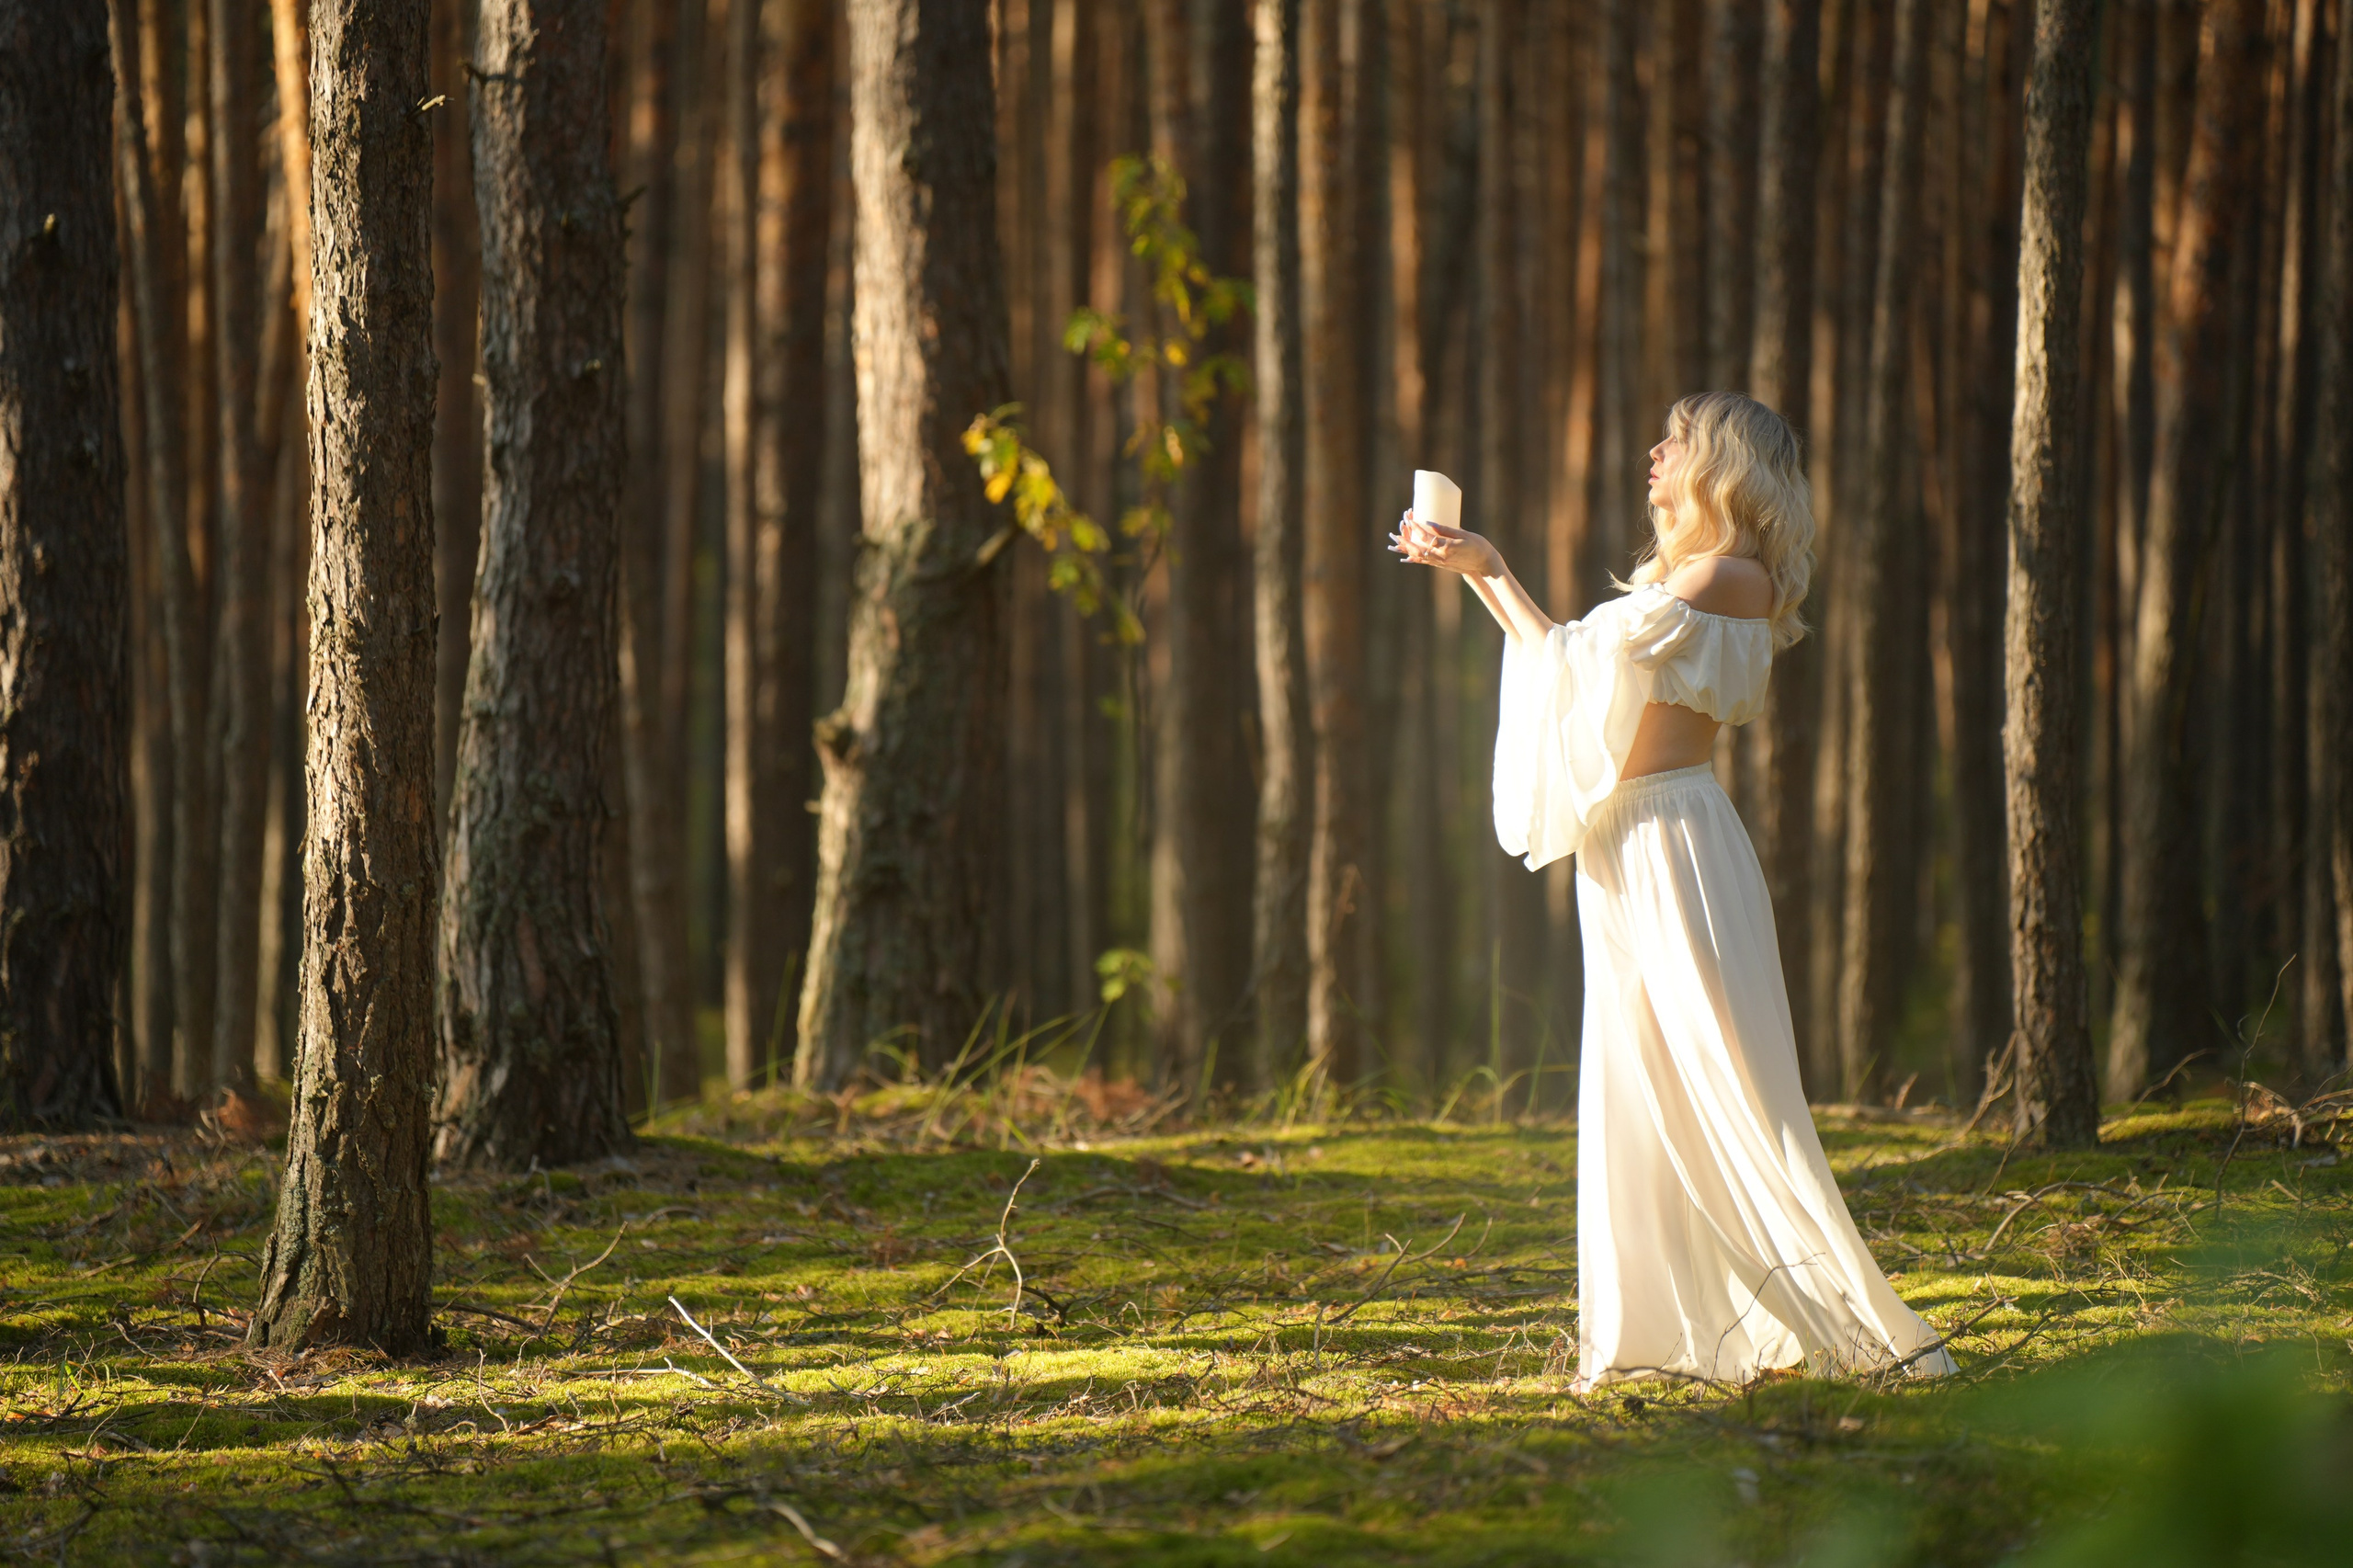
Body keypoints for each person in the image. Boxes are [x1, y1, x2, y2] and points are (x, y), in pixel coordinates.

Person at [1391, 391, 1955, 1389]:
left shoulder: (1726, 573)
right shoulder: (1692, 577)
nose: (1653, 451)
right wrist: (1480, 571)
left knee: (1727, 1082)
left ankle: (1844, 1324)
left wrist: (1491, 568)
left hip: (1673, 843)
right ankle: (1650, 1339)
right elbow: (1565, 660)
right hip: (1627, 845)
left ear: (1723, 464)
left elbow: (1571, 658)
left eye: (1677, 440)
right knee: (1638, 1090)